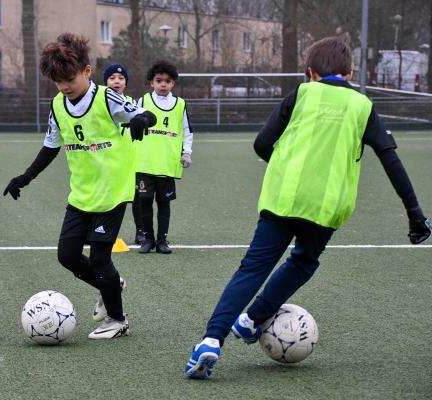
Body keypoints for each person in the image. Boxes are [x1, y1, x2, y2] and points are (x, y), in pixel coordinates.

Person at [184, 36, 431, 379]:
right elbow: (390, 158)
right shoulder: (362, 105)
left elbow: (261, 143)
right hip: (325, 207)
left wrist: (285, 168)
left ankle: (211, 340)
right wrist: (415, 215)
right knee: (303, 262)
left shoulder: (300, 95)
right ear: (350, 73)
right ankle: (253, 318)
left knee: (252, 268)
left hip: (282, 199)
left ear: (310, 73)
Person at [3, 33, 156, 340]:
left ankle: (117, 319)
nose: (63, 86)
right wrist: (25, 177)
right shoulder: (58, 106)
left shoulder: (107, 97)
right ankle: (110, 284)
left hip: (113, 191)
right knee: (67, 255)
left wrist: (141, 121)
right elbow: (51, 147)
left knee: (100, 259)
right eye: (57, 80)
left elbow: (143, 113)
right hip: (82, 193)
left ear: (87, 71)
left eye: (68, 78)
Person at [135, 60, 194, 254]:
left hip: (168, 164)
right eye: (158, 80)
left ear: (173, 84)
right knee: (144, 202)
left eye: (167, 81)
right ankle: (147, 240)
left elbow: (186, 131)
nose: (163, 84)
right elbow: (131, 126)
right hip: (144, 163)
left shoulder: (180, 104)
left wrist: (187, 152)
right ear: (151, 82)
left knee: (164, 204)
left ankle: (162, 241)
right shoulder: (143, 101)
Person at [102, 63, 144, 245]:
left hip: (129, 160)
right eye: (112, 78)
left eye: (120, 78)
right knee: (105, 195)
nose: (116, 81)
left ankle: (141, 231)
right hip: (107, 158)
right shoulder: (101, 103)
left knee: (136, 197)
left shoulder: (131, 105)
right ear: (105, 82)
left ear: (126, 83)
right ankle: (99, 229)